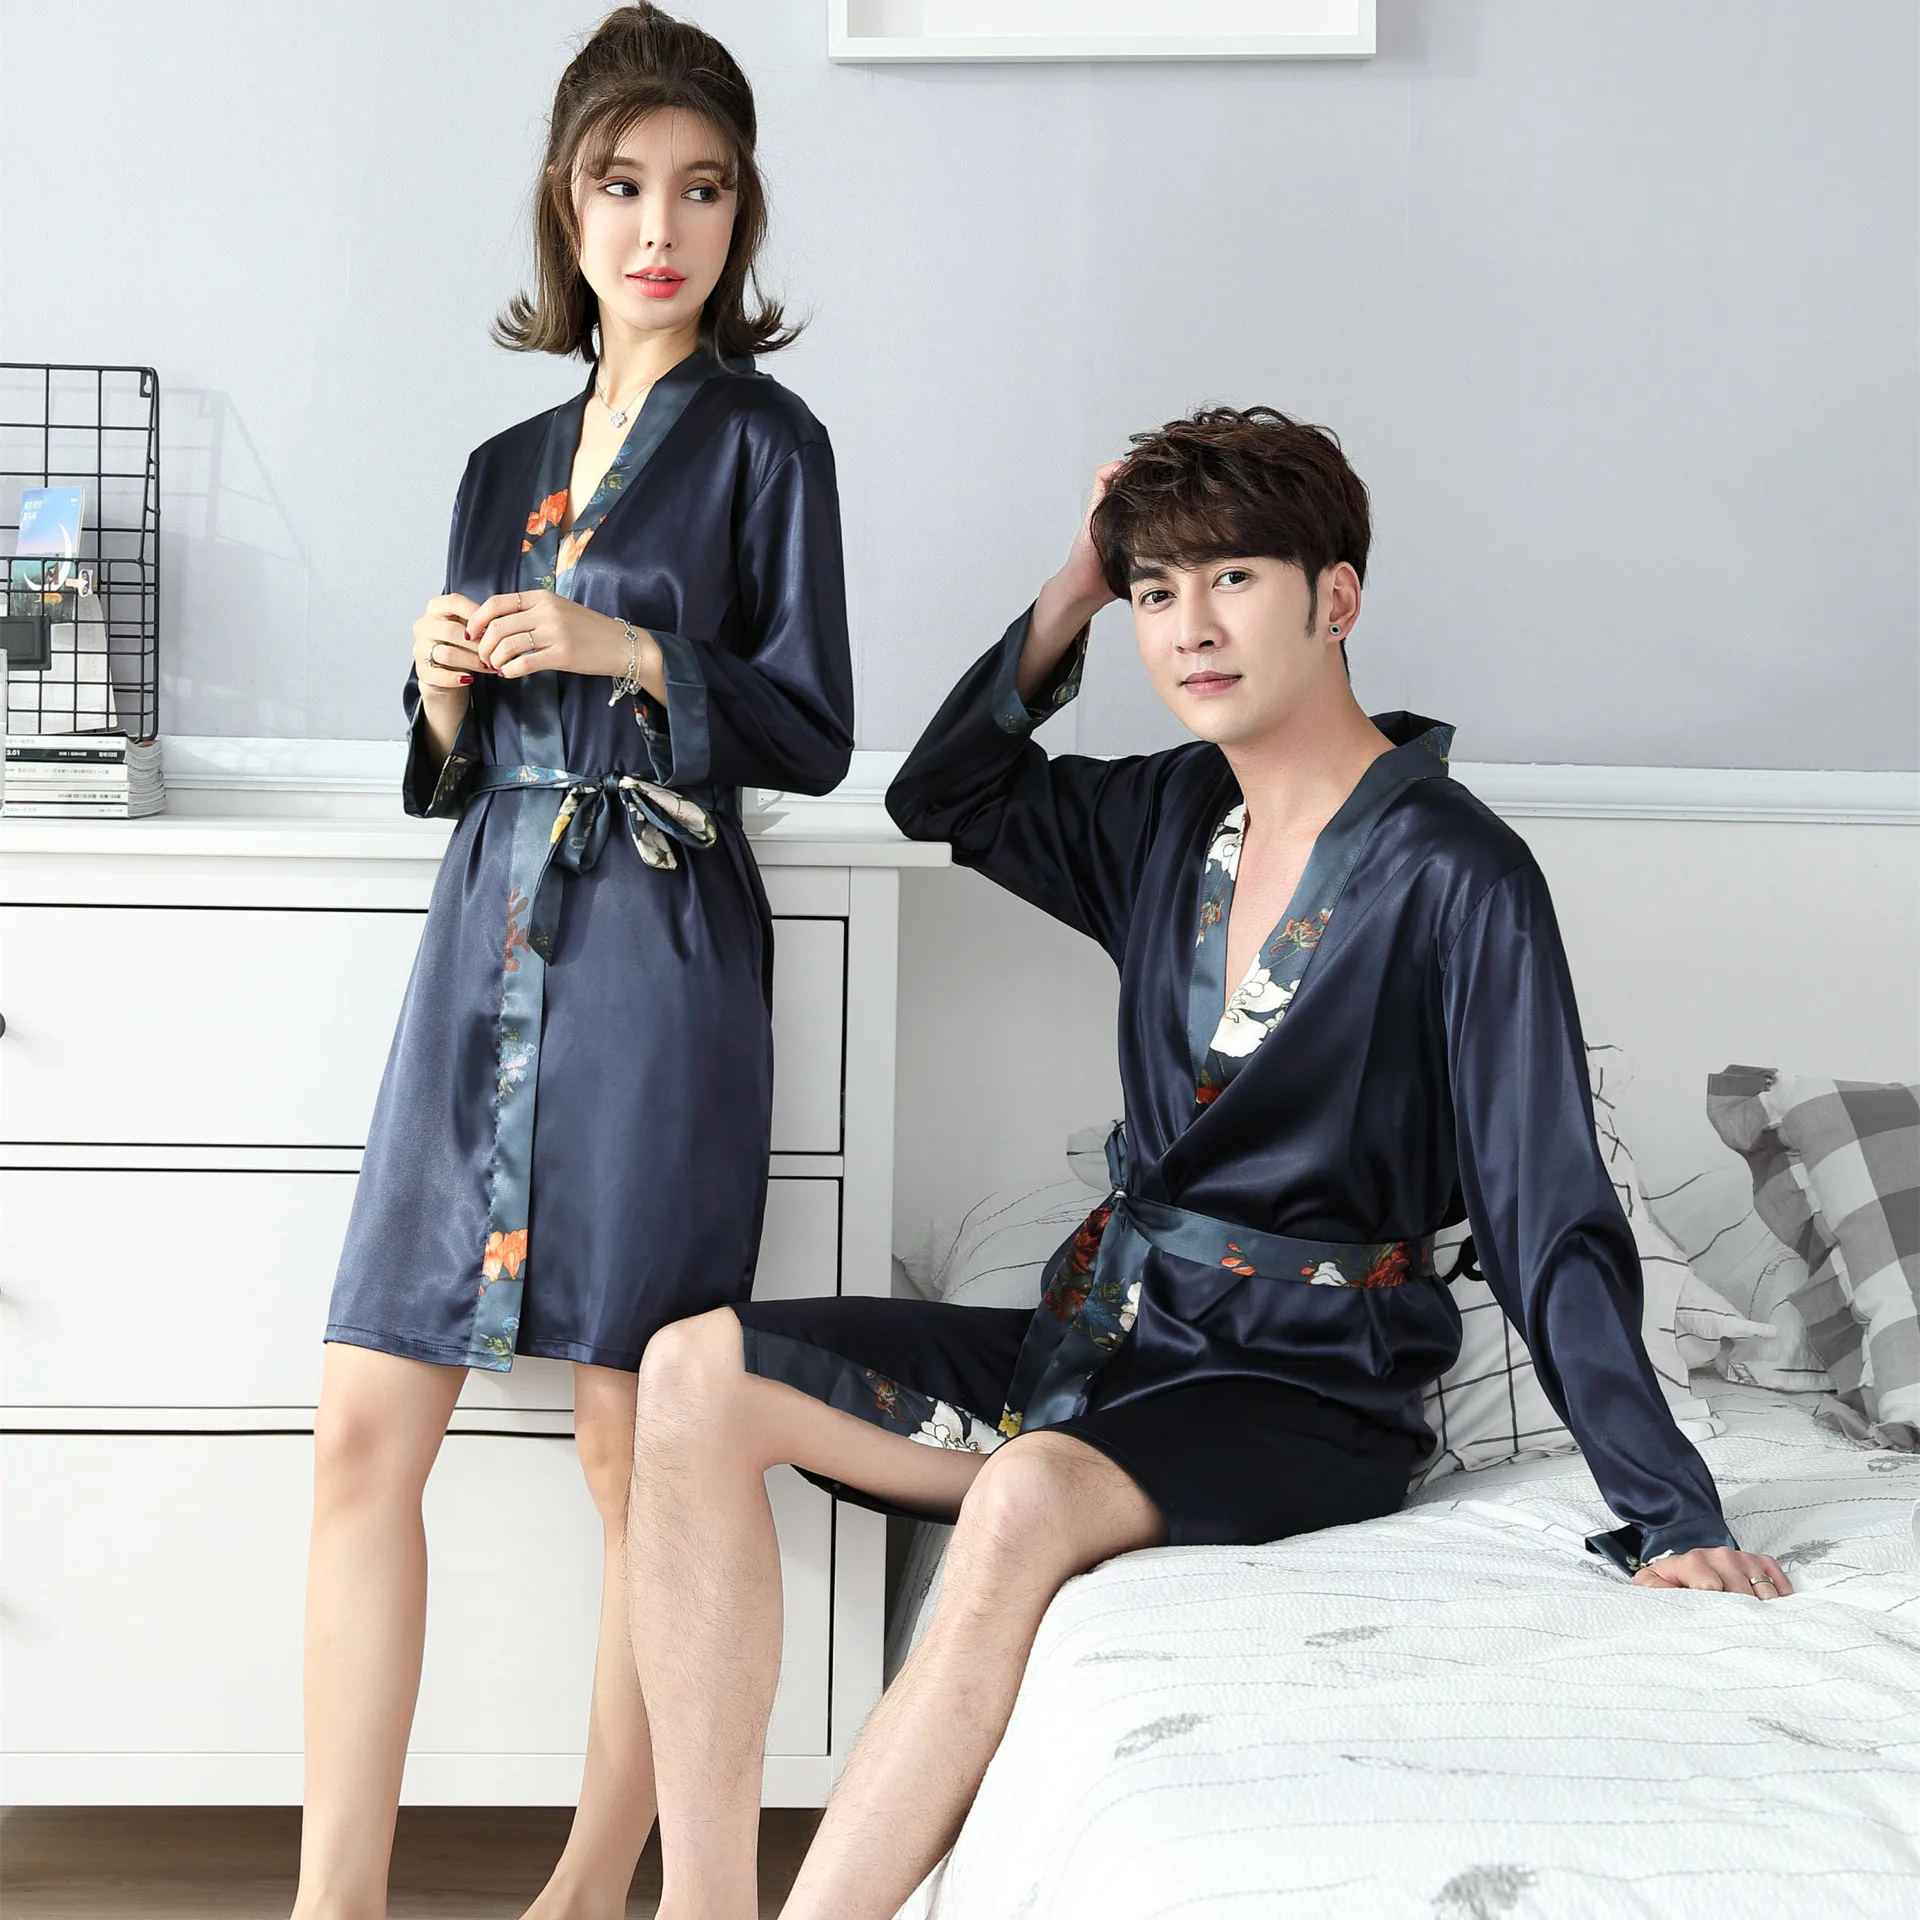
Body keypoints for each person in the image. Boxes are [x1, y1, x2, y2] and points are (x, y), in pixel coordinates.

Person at [622, 405, 1793, 1920]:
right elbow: (945, 795)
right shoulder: (1168, 814)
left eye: (1233, 578)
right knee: (691, 1372)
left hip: (1301, 1392)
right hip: (1106, 1339)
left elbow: (1545, 1212)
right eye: (1157, 592)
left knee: (1026, 1494)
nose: (1190, 628)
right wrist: (1075, 579)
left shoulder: (1460, 874)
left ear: (1336, 596)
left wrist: (1674, 1511)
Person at [293, 9, 852, 1917]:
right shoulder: (502, 463)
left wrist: (631, 653)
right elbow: (450, 767)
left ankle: (589, 1885)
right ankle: (333, 1903)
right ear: (568, 200)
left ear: (740, 213)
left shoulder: (770, 447)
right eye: (623, 185)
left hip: (658, 955)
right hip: (487, 935)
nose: (659, 228)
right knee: (364, 1426)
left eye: (701, 189)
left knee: (637, 1450)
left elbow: (814, 729)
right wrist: (444, 688)